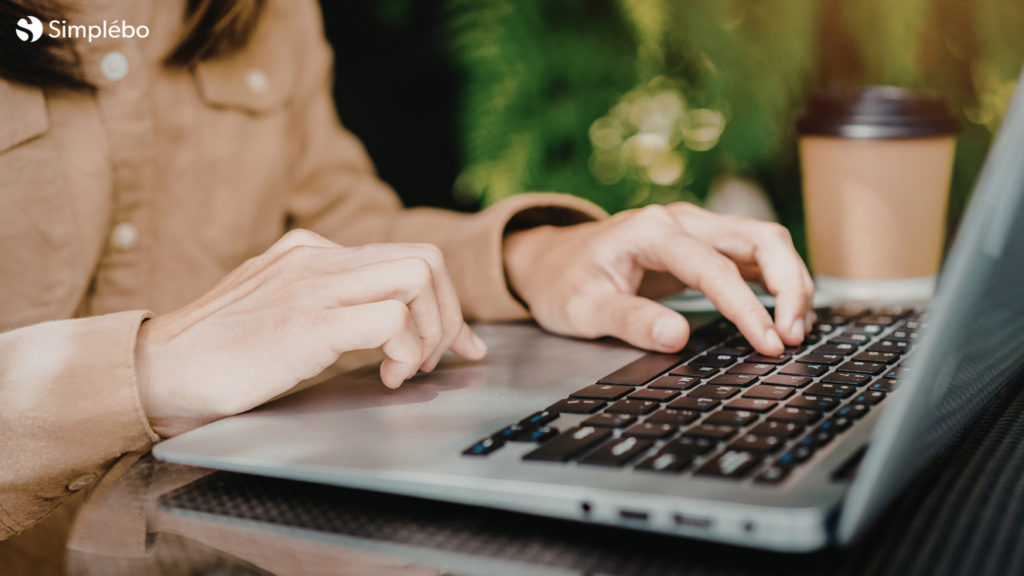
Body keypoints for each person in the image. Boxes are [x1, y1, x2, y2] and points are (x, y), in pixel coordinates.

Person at [0, 0, 813, 547]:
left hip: (219, 539)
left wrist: (529, 257)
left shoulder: (264, 11)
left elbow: (334, 225)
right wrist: (150, 368)